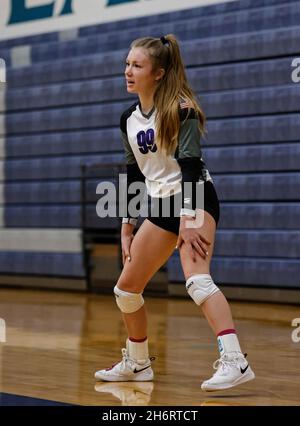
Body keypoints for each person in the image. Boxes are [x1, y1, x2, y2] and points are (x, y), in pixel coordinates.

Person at [94, 34, 255, 391]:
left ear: (159, 73)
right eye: (127, 64)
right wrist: (126, 225)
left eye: (137, 65)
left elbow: (192, 168)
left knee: (197, 280)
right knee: (126, 290)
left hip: (195, 198)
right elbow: (135, 174)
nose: (128, 71)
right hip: (161, 204)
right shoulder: (128, 119)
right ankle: (137, 364)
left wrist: (188, 218)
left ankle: (235, 360)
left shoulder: (182, 110)